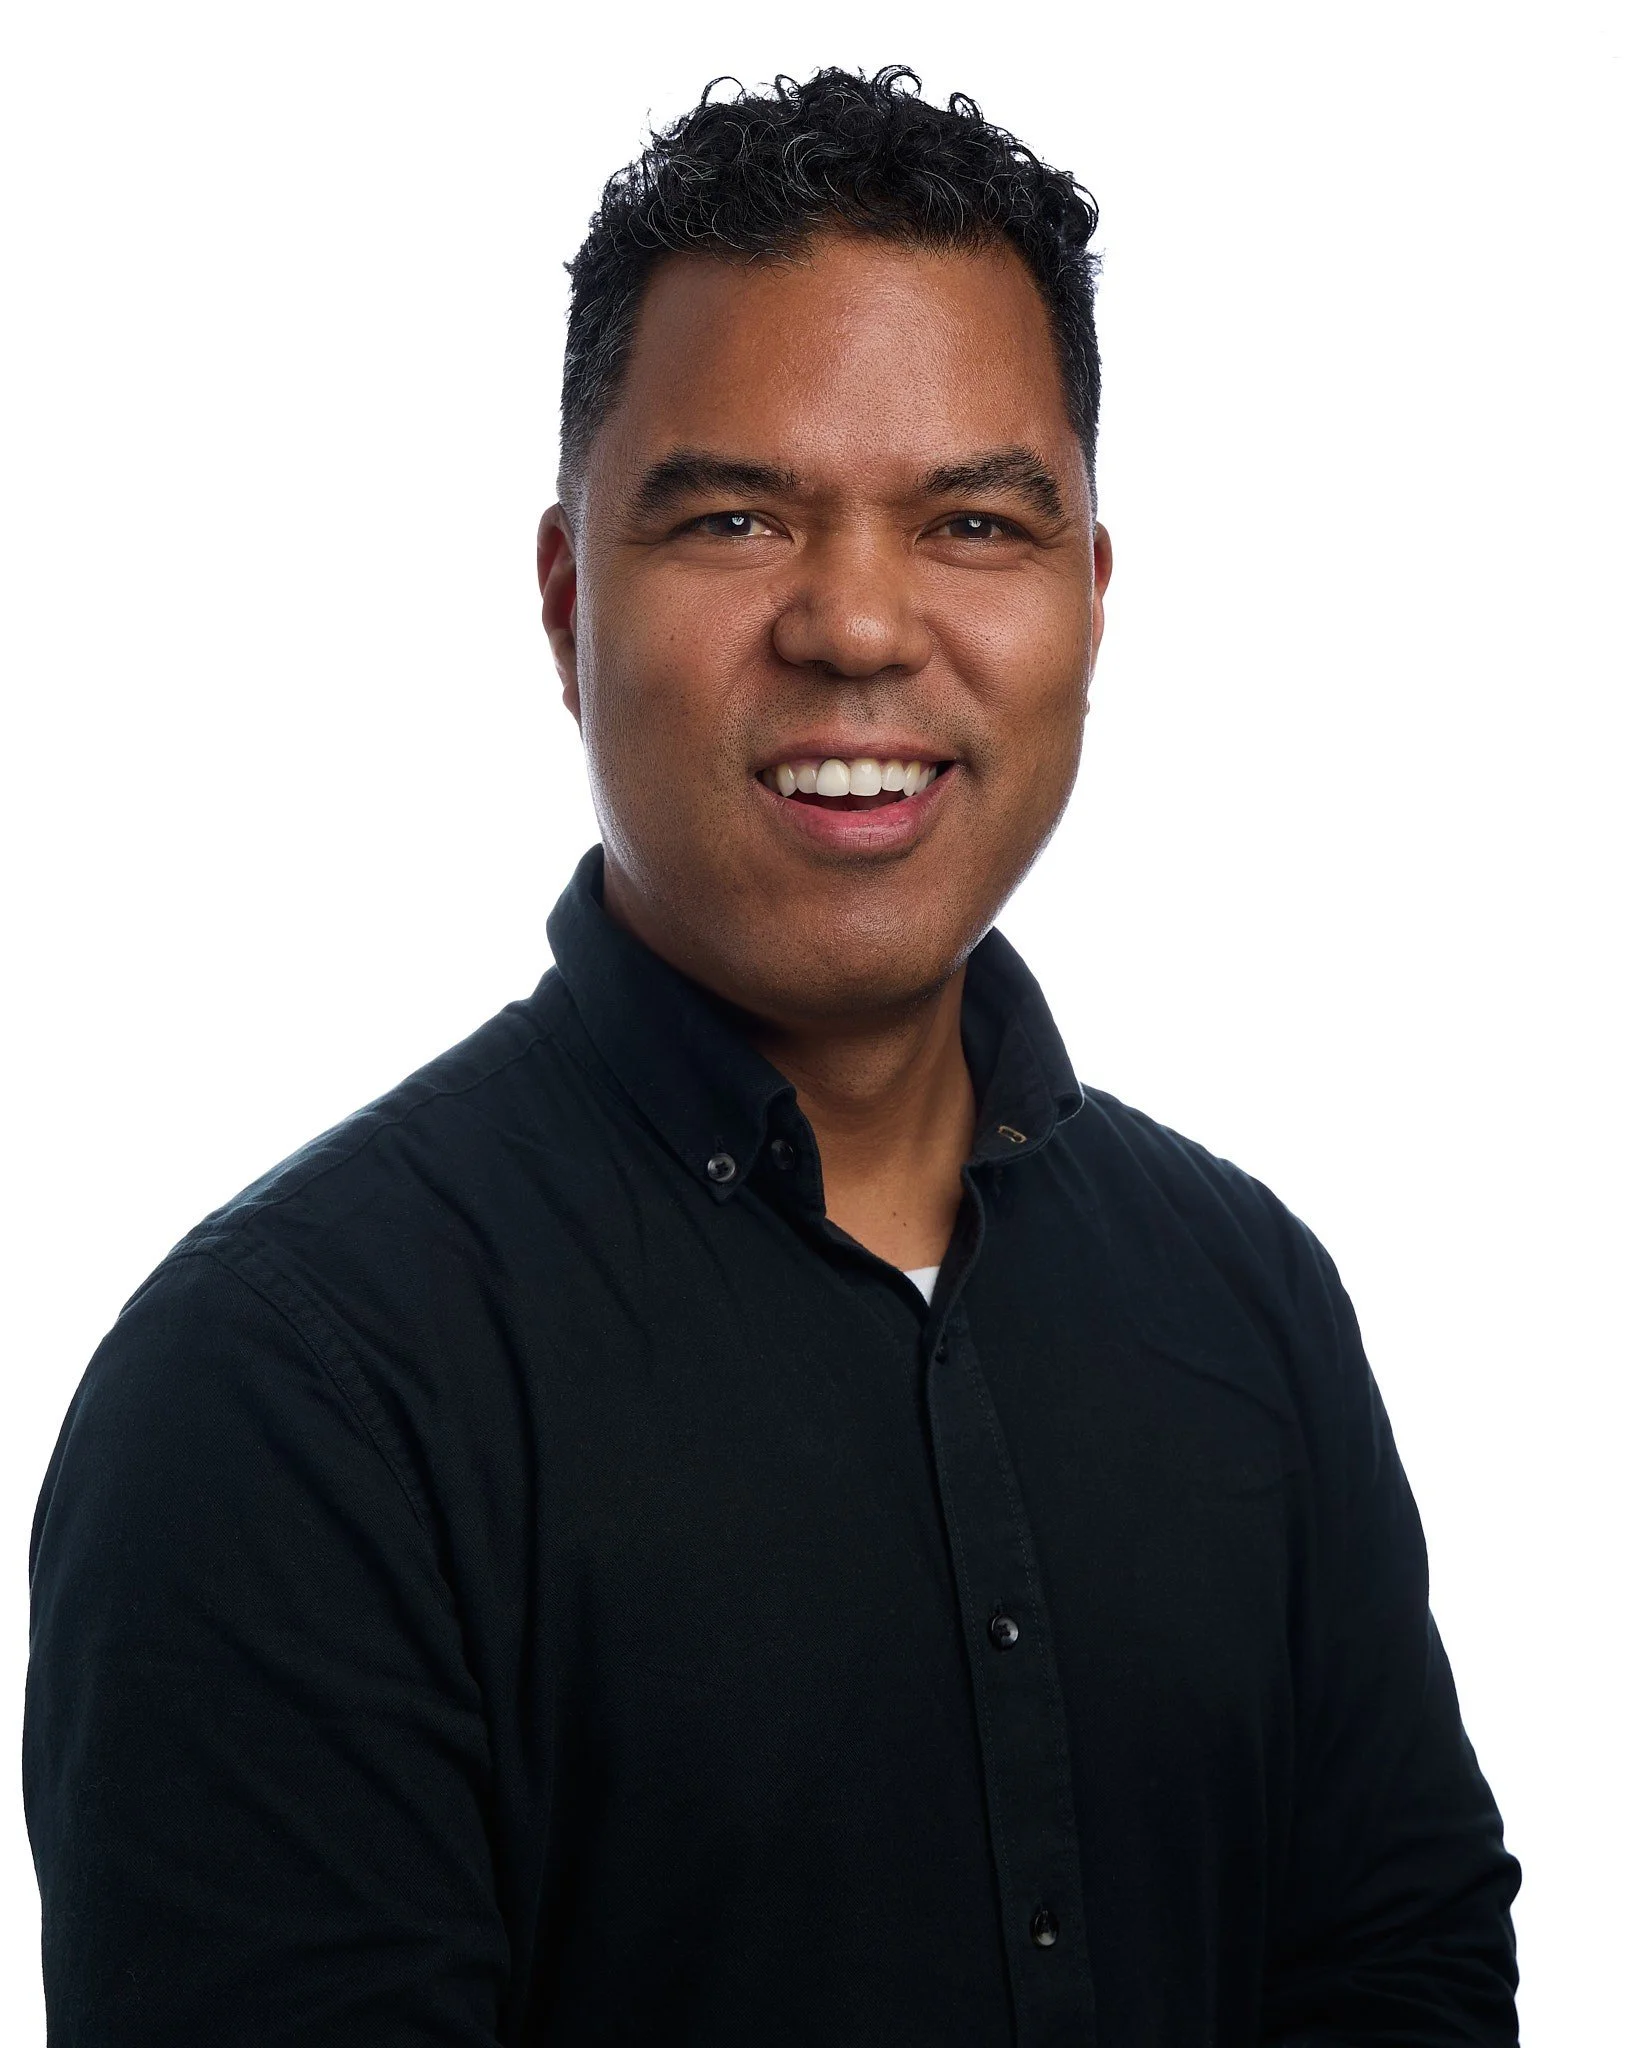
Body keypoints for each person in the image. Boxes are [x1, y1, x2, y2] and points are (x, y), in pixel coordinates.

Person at [24, 65, 1520, 2047]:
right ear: (568, 602)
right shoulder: (291, 1393)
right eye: (736, 518)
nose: (857, 626)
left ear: (1087, 600)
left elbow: (1408, 1975)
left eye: (971, 522)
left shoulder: (1250, 1308)